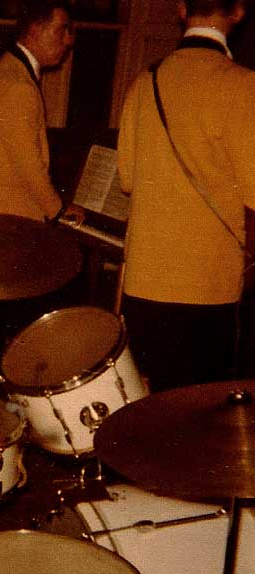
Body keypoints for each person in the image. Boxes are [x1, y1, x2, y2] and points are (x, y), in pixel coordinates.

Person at [117, 0, 255, 392]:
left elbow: (126, 178)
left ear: (180, 9)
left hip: (143, 282)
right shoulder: (243, 85)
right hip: (207, 289)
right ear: (238, 12)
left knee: (146, 412)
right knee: (198, 420)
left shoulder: (145, 80)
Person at [0, 0, 84, 226]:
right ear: (34, 29)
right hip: (4, 219)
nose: (69, 40)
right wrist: (59, 209)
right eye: (62, 29)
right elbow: (29, 164)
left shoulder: (7, 71)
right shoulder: (18, 86)